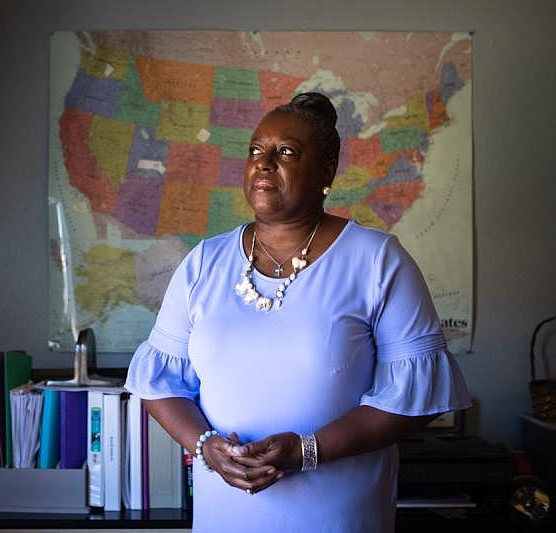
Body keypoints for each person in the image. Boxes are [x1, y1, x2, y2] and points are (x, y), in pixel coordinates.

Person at [124, 92, 471, 532]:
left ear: (327, 172)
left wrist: (308, 450)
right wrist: (205, 445)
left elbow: (415, 397)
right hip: (225, 516)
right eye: (255, 151)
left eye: (285, 152)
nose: (263, 163)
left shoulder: (377, 260)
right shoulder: (204, 262)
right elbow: (161, 384)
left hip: (339, 516)